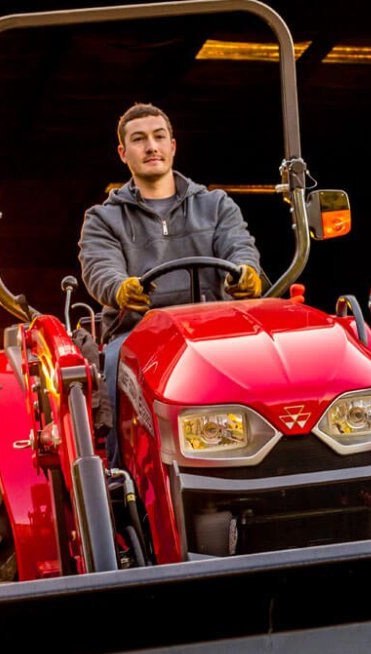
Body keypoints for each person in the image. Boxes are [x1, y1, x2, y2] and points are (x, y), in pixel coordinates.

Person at [78, 102, 265, 463]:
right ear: (123, 153)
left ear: (173, 146)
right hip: (139, 335)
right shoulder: (103, 218)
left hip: (217, 330)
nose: (151, 147)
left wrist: (246, 271)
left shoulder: (215, 205)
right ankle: (122, 472)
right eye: (139, 139)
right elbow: (100, 268)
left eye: (159, 137)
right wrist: (120, 289)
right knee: (117, 365)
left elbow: (239, 246)